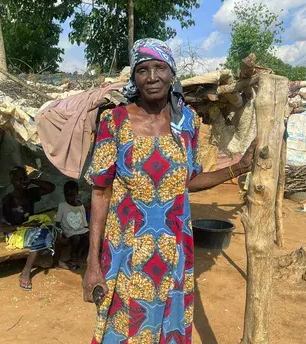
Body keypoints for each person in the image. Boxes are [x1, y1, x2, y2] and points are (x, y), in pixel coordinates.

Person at [82, 38, 257, 343]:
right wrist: (92, 263)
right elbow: (100, 192)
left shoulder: (186, 123)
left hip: (174, 250)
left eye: (160, 67)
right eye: (143, 69)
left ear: (172, 73)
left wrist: (238, 168)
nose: (152, 77)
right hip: (127, 251)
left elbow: (186, 181)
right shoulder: (114, 121)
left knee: (167, 329)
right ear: (134, 77)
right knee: (125, 329)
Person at [0, 166, 61, 291]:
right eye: (18, 179)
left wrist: (31, 180)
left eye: (24, 178)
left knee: (55, 229)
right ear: (12, 181)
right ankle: (25, 271)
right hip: (15, 233)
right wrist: (22, 226)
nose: (22, 181)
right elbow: (2, 228)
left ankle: (55, 262)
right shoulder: (7, 201)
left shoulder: (29, 194)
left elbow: (51, 188)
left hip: (30, 228)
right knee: (42, 234)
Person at [56, 180, 90, 269]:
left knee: (88, 236)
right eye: (67, 196)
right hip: (68, 230)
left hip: (80, 229)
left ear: (77, 194)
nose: (69, 198)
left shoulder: (80, 206)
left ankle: (81, 255)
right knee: (76, 238)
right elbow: (58, 221)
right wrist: (60, 233)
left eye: (72, 195)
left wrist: (86, 228)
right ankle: (73, 255)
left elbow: (83, 220)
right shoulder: (62, 205)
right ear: (64, 194)